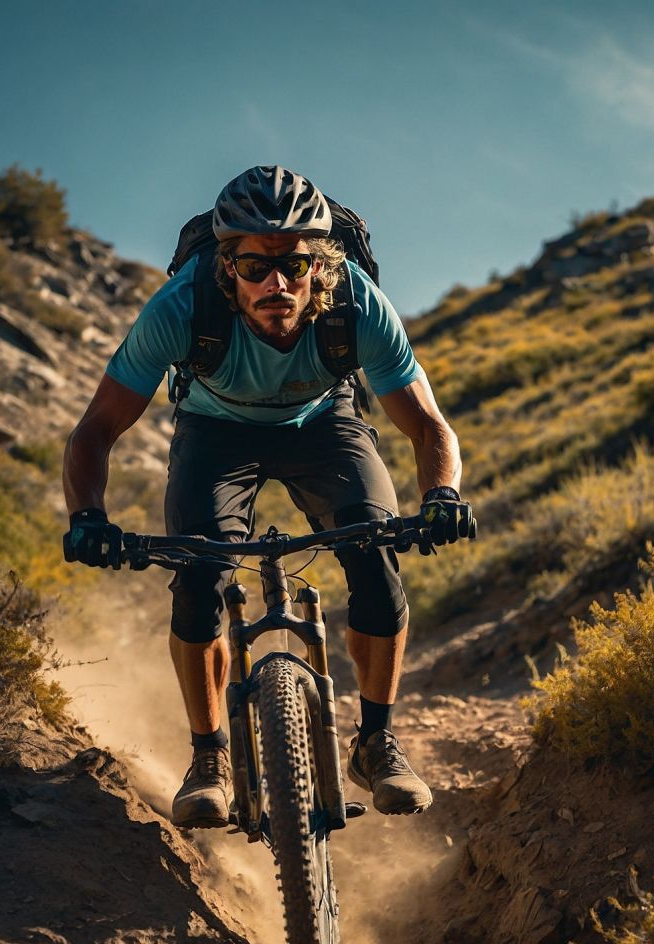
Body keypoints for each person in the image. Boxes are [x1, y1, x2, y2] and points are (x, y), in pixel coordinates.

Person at [62, 165, 474, 830]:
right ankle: (210, 758)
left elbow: (429, 429)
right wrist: (88, 518)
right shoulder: (179, 309)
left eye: (294, 264)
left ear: (321, 264)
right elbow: (95, 431)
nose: (276, 283)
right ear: (228, 267)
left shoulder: (358, 307)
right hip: (214, 430)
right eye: (255, 265)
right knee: (198, 579)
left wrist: (443, 497)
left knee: (375, 557)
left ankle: (375, 743)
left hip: (324, 423)